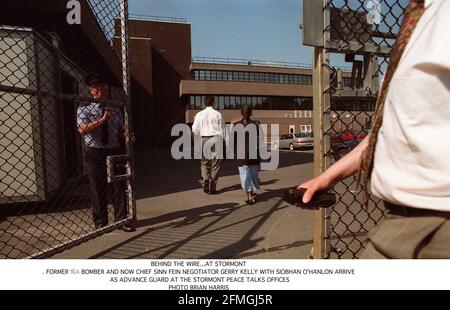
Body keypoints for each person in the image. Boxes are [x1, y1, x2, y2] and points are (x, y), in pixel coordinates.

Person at [299, 0, 450, 258]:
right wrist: (330, 175)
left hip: (437, 226)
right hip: (400, 221)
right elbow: (391, 127)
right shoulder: (421, 17)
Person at [77, 72, 135, 232]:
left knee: (118, 185)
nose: (99, 89)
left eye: (102, 86)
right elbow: (82, 130)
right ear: (91, 90)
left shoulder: (114, 108)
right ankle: (101, 223)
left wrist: (127, 136)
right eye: (95, 87)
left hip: (113, 150)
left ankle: (122, 220)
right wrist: (103, 119)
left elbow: (121, 130)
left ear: (106, 88)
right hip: (95, 152)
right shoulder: (85, 108)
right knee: (97, 187)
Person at [191, 95, 226, 194]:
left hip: (204, 139)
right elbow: (224, 130)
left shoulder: (199, 115)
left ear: (204, 103)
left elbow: (194, 130)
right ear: (213, 102)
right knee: (215, 164)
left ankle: (206, 179)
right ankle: (213, 185)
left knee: (204, 162)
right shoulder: (218, 114)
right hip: (216, 139)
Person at [233, 106, 261, 205]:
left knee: (244, 175)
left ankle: (249, 196)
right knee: (253, 174)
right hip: (253, 153)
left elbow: (233, 142)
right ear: (251, 113)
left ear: (241, 113)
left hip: (241, 155)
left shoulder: (236, 125)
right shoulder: (256, 124)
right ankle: (251, 192)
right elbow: (260, 140)